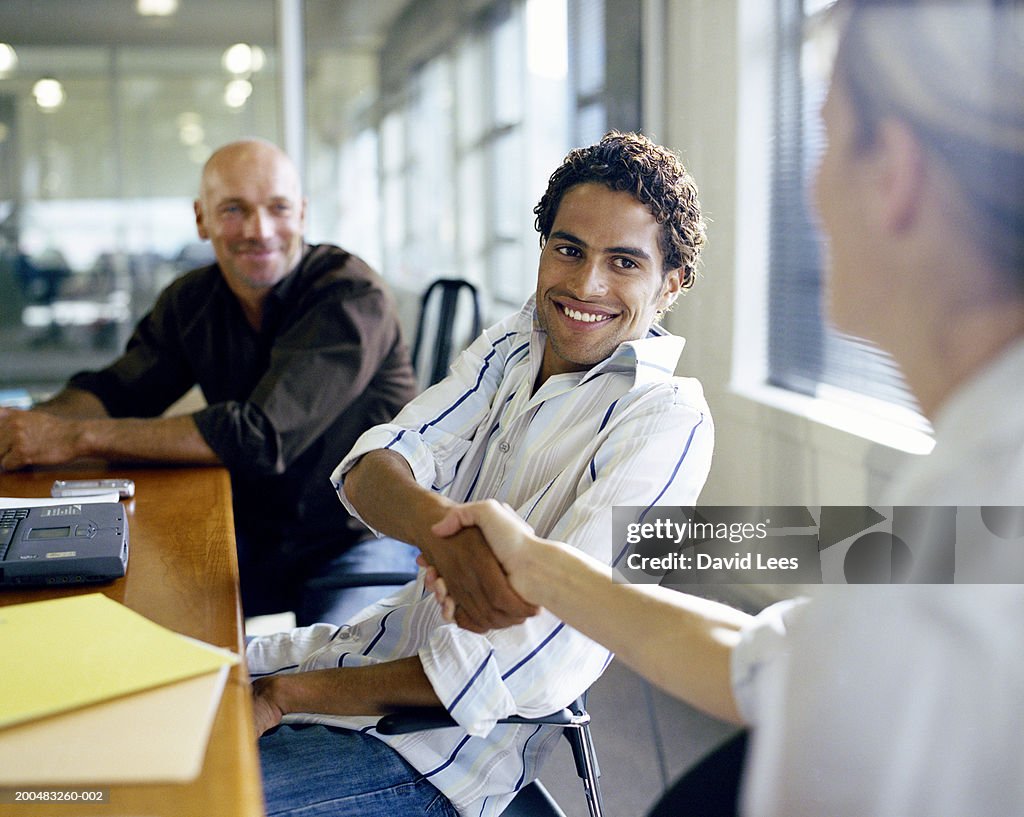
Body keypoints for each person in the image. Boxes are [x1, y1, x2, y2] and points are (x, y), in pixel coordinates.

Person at [427, 2, 1024, 815]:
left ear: (894, 175)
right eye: (567, 249)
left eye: (823, 135)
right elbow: (760, 657)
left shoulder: (969, 529)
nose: (809, 189)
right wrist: (535, 564)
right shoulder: (971, 488)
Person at [246, 131, 715, 817]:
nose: (586, 284)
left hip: (437, 759)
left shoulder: (666, 422)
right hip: (363, 653)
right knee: (130, 717)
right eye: (568, 248)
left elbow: (537, 662)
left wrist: (287, 695)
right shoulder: (516, 341)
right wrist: (444, 538)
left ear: (670, 284)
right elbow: (373, 466)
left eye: (624, 262)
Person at [0, 139, 419, 626]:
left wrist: (70, 437)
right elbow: (115, 390)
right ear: (202, 219)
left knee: (327, 678)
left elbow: (257, 436)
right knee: (128, 621)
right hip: (254, 530)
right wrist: (25, 428)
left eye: (278, 208)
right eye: (234, 210)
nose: (258, 231)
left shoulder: (350, 294)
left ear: (302, 214)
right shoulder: (192, 299)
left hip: (356, 538)